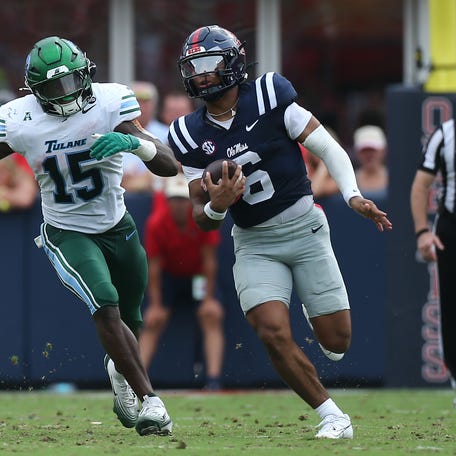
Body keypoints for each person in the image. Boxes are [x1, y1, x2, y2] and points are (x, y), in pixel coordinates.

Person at [168, 25, 392, 439]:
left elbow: (327, 146)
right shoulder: (188, 133)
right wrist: (218, 205)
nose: (200, 76)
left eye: (207, 65)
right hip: (255, 243)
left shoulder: (271, 95)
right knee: (271, 331)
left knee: (338, 343)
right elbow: (199, 216)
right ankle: (332, 415)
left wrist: (353, 196)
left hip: (305, 229)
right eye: (193, 68)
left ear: (232, 63)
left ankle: (314, 308)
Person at [0, 36, 179, 436]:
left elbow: (169, 165)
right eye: (52, 88)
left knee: (131, 320)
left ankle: (120, 373)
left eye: (70, 83)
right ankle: (152, 400)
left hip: (118, 224)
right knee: (106, 302)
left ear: (87, 74)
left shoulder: (112, 101)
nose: (64, 96)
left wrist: (136, 143)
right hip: (67, 231)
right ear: (34, 90)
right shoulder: (17, 118)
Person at [139, 173, 225, 390]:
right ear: (167, 201)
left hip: (198, 276)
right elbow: (155, 266)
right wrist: (156, 305)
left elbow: (209, 261)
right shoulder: (157, 223)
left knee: (211, 315)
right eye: (174, 200)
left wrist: (207, 300)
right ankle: (136, 381)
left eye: (182, 200)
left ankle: (213, 381)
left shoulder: (201, 219)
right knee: (153, 321)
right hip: (170, 276)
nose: (178, 205)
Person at [410, 118, 455, 404]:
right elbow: (421, 184)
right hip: (452, 225)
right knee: (451, 306)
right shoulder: (446, 133)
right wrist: (423, 231)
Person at [121, 81, 168, 192]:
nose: (140, 106)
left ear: (155, 104)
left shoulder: (167, 134)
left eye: (145, 101)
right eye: (136, 100)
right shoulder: (115, 133)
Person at [353, 125, 388, 200]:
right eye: (364, 150)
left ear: (383, 151)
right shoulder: (350, 181)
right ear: (357, 153)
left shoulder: (394, 179)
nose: (369, 155)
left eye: (373, 150)